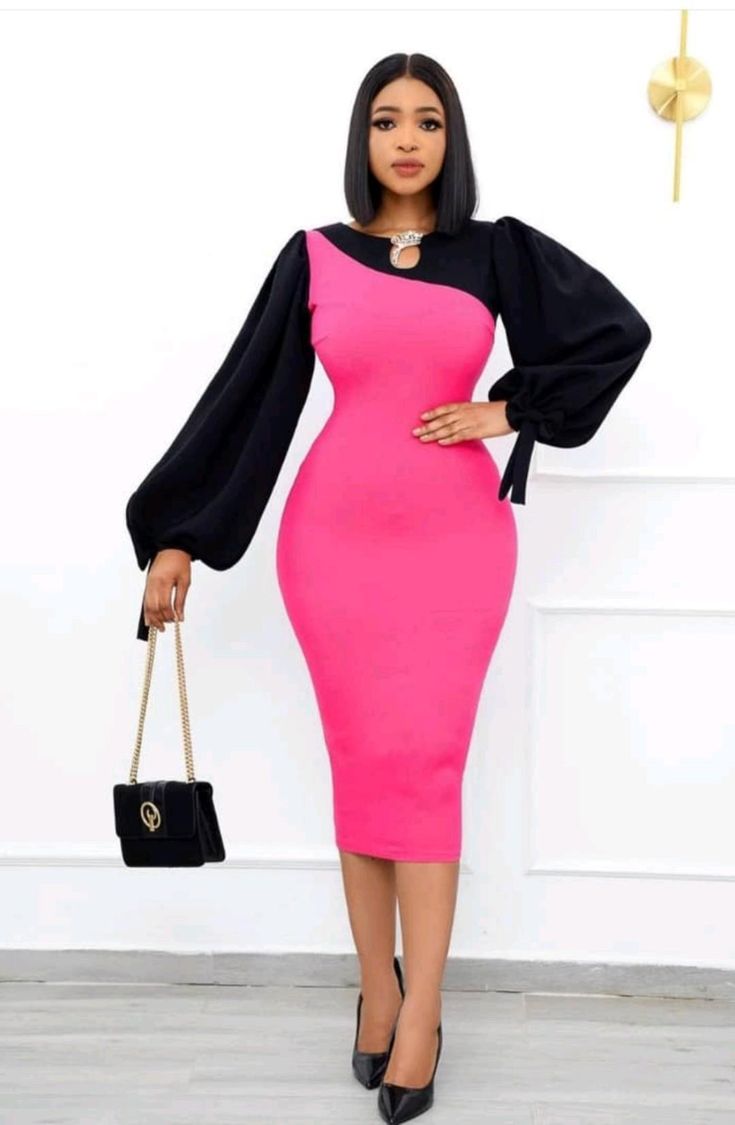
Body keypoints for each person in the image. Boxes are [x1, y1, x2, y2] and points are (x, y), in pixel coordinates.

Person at [125, 52, 651, 1125]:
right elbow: (249, 400)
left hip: (457, 546)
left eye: (427, 121)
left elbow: (615, 335)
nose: (406, 139)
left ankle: (424, 1013)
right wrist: (178, 536)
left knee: (426, 768)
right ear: (361, 139)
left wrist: (509, 410)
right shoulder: (313, 256)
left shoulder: (497, 252)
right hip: (332, 548)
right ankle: (378, 989)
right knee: (364, 768)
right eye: (385, 120)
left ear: (452, 139)